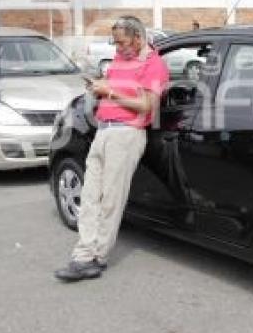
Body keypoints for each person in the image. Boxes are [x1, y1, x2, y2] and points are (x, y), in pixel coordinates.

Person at [54, 15, 169, 282]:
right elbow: (114, 90)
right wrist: (99, 90)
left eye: (121, 43)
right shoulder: (120, 59)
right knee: (90, 195)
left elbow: (146, 106)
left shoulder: (155, 65)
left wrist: (110, 91)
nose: (117, 49)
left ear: (138, 38)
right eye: (115, 43)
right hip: (104, 130)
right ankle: (83, 255)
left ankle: (96, 257)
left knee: (110, 200)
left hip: (127, 134)